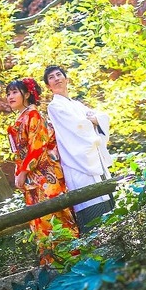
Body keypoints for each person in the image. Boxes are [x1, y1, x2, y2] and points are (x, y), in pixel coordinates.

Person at [5, 77, 79, 264]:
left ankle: (72, 262)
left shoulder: (34, 115)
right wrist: (19, 172)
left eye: (14, 92)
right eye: (8, 94)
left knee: (56, 218)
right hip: (32, 178)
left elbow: (38, 146)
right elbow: (19, 152)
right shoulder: (21, 118)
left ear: (27, 94)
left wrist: (22, 172)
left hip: (46, 175)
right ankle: (52, 265)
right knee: (40, 222)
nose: (10, 97)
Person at [43, 65, 113, 233]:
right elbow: (78, 126)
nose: (57, 78)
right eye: (51, 77)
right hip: (78, 164)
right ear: (48, 86)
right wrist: (93, 120)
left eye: (59, 75)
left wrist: (96, 119)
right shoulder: (55, 107)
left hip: (96, 162)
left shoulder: (77, 104)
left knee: (111, 218)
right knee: (94, 219)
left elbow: (101, 117)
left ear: (67, 79)